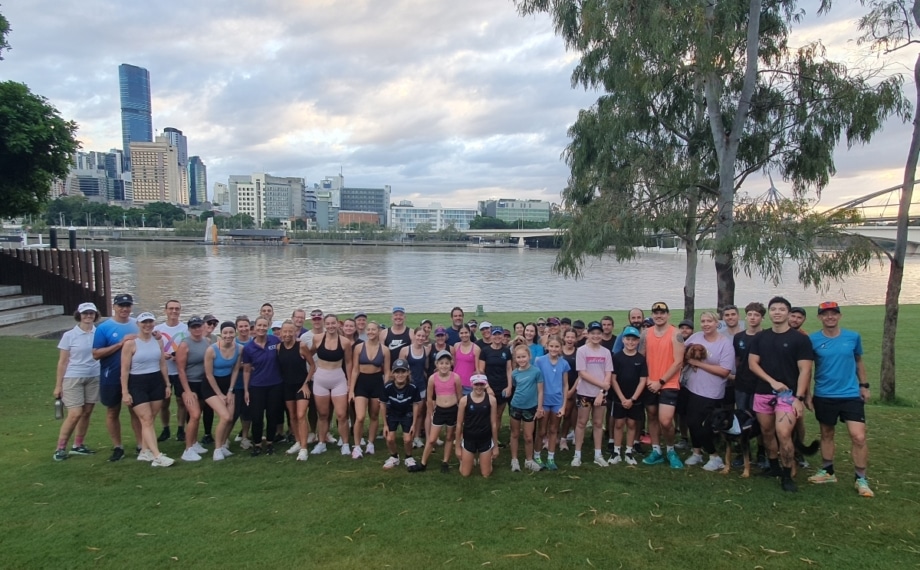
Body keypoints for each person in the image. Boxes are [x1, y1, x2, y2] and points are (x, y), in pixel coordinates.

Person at [807, 301, 874, 498]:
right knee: (827, 433)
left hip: (850, 394)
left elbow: (858, 361)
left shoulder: (852, 337)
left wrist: (864, 386)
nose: (830, 317)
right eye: (825, 314)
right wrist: (807, 394)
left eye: (834, 313)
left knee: (858, 436)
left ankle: (861, 478)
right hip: (824, 394)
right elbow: (807, 368)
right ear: (819, 317)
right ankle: (828, 471)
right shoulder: (812, 340)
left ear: (839, 316)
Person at [749, 296, 814, 493]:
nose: (777, 312)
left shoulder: (800, 339)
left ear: (788, 313)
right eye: (773, 309)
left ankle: (787, 475)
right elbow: (753, 364)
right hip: (763, 392)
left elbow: (805, 370)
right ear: (769, 313)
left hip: (788, 395)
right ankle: (773, 467)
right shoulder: (761, 337)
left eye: (782, 309)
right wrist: (772, 381)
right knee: (767, 432)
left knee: (784, 433)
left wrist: (799, 398)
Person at [680, 312, 735, 470]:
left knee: (700, 424)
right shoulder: (696, 337)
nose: (705, 324)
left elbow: (725, 371)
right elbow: (682, 351)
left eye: (709, 321)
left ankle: (714, 456)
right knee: (691, 421)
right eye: (703, 321)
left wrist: (698, 363)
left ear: (717, 323)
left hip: (710, 392)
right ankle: (696, 452)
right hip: (691, 387)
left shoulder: (724, 344)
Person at [119, 312, 174, 467]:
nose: (147, 325)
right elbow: (124, 369)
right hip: (137, 383)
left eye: (150, 322)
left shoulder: (158, 341)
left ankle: (144, 451)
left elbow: (162, 363)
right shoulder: (130, 344)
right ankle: (157, 455)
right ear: (138, 324)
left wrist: (167, 384)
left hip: (156, 381)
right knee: (146, 419)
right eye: (144, 322)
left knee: (150, 419)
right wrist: (125, 391)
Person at [92, 293, 141, 462]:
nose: (124, 309)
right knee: (113, 410)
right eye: (121, 305)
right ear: (114, 307)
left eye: (127, 305)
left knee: (136, 410)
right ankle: (118, 447)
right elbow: (96, 354)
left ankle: (141, 445)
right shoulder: (104, 328)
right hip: (111, 375)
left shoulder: (137, 324)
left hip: (134, 375)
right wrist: (120, 344)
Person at [53, 302, 101, 461]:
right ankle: (60, 448)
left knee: (87, 412)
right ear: (79, 315)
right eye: (85, 313)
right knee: (75, 414)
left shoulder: (99, 333)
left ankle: (78, 445)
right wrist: (58, 385)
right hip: (73, 377)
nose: (88, 316)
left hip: (94, 376)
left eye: (91, 313)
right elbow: (62, 362)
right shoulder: (69, 335)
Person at [640, 301, 685, 470]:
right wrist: (647, 380)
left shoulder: (676, 334)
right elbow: (641, 357)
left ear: (668, 314)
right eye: (656, 313)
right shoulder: (646, 333)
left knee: (665, 421)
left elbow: (678, 362)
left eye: (662, 313)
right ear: (652, 315)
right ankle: (656, 450)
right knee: (651, 416)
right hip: (650, 382)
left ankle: (671, 450)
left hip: (668, 383)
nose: (659, 316)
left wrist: (661, 382)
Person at [308, 314, 354, 456]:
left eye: (333, 323)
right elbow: (309, 354)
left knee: (341, 414)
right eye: (328, 323)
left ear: (337, 324)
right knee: (323, 414)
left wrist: (349, 382)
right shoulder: (317, 338)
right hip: (321, 379)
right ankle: (321, 443)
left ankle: (345, 444)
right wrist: (313, 367)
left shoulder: (345, 342)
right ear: (324, 324)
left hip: (338, 379)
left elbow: (348, 362)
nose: (330, 326)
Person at [409, 350, 462, 473]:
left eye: (447, 363)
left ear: (451, 364)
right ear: (436, 364)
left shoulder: (456, 377)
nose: (444, 366)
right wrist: (430, 413)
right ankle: (423, 463)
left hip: (452, 410)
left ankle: (445, 462)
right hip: (439, 411)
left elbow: (460, 397)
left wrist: (460, 413)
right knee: (432, 439)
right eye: (441, 363)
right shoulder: (433, 378)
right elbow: (429, 398)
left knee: (449, 437)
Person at [571, 321, 612, 467]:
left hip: (600, 394)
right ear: (588, 334)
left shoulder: (606, 352)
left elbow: (608, 373)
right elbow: (582, 373)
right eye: (593, 333)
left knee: (598, 423)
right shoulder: (582, 351)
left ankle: (598, 454)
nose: (596, 336)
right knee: (581, 422)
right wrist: (602, 385)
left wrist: (602, 392)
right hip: (584, 392)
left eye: (598, 333)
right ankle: (577, 455)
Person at [242, 316, 284, 456]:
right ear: (255, 327)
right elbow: (246, 370)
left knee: (272, 415)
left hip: (275, 385)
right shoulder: (248, 348)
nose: (261, 328)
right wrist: (246, 390)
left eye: (264, 325)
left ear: (268, 327)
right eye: (259, 325)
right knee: (257, 417)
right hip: (257, 386)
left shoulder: (275, 341)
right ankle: (258, 444)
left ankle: (270, 443)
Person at [349, 321, 390, 458]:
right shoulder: (359, 348)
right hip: (362, 382)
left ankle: (370, 443)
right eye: (369, 330)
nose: (371, 332)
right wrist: (351, 390)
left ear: (379, 332)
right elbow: (355, 370)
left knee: (374, 415)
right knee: (360, 417)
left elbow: (387, 372)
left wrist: (385, 389)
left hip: (377, 382)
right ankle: (357, 446)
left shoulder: (384, 350)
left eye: (373, 330)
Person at [202, 321, 241, 461]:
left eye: (231, 332)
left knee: (230, 417)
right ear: (221, 334)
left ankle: (223, 444)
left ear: (235, 333)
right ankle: (217, 449)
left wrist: (230, 390)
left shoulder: (239, 349)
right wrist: (219, 394)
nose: (228, 335)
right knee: (225, 416)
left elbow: (235, 370)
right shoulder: (211, 350)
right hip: (211, 386)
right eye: (225, 333)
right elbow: (209, 374)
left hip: (227, 385)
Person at [175, 316, 212, 461]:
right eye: (193, 327)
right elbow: (180, 369)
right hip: (188, 383)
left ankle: (194, 442)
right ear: (189, 329)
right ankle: (188, 449)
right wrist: (187, 391)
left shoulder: (206, 341)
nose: (197, 329)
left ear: (203, 326)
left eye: (199, 326)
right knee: (195, 414)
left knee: (197, 414)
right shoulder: (185, 344)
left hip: (202, 382)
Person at [733, 302, 766, 466]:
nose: (753, 318)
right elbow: (737, 360)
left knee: (760, 419)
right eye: (750, 315)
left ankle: (762, 451)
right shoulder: (739, 337)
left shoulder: (766, 337)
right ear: (746, 317)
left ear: (762, 318)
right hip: (741, 384)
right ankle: (743, 452)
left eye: (757, 315)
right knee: (741, 418)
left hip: (760, 385)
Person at [608, 326, 646, 466]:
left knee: (631, 424)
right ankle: (616, 451)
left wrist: (633, 399)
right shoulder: (617, 357)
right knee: (619, 423)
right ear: (623, 340)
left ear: (638, 341)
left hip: (635, 398)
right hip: (619, 397)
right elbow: (613, 379)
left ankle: (629, 451)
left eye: (633, 340)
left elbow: (643, 381)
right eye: (628, 339)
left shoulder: (641, 359)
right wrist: (622, 398)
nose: (630, 342)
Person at [507, 343, 545, 472]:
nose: (521, 359)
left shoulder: (536, 372)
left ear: (529, 356)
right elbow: (515, 387)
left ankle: (529, 460)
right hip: (515, 406)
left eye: (523, 356)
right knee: (515, 434)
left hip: (530, 408)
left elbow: (540, 391)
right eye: (518, 357)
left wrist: (539, 408)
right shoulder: (514, 373)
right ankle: (514, 460)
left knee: (528, 437)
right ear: (515, 359)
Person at [534, 336, 569, 470]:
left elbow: (565, 385)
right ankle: (537, 455)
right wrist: (539, 405)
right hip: (544, 401)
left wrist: (563, 406)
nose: (554, 349)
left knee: (554, 429)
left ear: (561, 348)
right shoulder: (540, 361)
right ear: (547, 346)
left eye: (557, 346)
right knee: (542, 430)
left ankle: (550, 458)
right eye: (551, 346)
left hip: (557, 401)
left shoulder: (564, 363)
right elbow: (537, 382)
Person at [276, 320, 310, 461]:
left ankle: (304, 448)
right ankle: (298, 441)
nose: (287, 334)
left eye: (291, 331)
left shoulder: (301, 346)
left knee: (301, 415)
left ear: (295, 332)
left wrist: (306, 384)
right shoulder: (279, 347)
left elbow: (312, 366)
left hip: (302, 385)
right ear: (281, 333)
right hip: (287, 386)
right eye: (285, 331)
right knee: (293, 416)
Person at [154, 299, 187, 443]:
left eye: (177, 309)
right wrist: (162, 355)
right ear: (165, 310)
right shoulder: (158, 329)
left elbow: (189, 348)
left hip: (180, 371)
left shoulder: (185, 329)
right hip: (163, 371)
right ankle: (165, 429)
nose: (174, 311)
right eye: (171, 308)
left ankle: (180, 429)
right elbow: (151, 348)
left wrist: (180, 356)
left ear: (180, 311)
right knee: (164, 402)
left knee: (181, 401)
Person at [380, 358, 422, 470]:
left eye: (403, 371)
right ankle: (394, 457)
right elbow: (382, 404)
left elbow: (415, 405)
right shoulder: (387, 386)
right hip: (392, 413)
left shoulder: (413, 387)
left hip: (407, 413)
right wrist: (385, 425)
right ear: (393, 373)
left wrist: (414, 424)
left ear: (408, 373)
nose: (400, 375)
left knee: (407, 439)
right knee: (389, 438)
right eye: (397, 372)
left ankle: (409, 457)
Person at [455, 374, 500, 478]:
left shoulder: (491, 400)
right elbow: (459, 424)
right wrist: (457, 447)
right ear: (472, 384)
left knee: (486, 474)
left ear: (485, 385)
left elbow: (494, 424)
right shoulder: (464, 400)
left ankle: (487, 459)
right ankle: (466, 460)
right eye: (476, 384)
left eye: (481, 384)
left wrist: (495, 446)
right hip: (469, 438)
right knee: (465, 474)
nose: (479, 387)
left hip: (485, 439)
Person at [400, 328, 432, 448]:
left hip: (421, 386)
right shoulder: (405, 350)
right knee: (408, 412)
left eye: (423, 336)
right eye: (418, 335)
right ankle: (408, 435)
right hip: (408, 387)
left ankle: (417, 436)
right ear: (414, 336)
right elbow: (400, 369)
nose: (420, 338)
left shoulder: (426, 350)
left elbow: (426, 367)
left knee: (419, 413)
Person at [478, 325, 513, 428]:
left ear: (502, 335)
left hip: (502, 387)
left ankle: (495, 437)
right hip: (489, 387)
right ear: (491, 336)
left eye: (499, 334)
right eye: (495, 334)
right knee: (486, 415)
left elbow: (509, 369)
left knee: (498, 415)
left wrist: (509, 386)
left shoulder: (506, 351)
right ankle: (486, 437)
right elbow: (481, 370)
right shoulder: (485, 351)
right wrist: (487, 387)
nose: (497, 337)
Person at [230, 316, 254, 449]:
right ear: (237, 328)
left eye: (246, 326)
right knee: (232, 413)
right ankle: (224, 439)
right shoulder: (233, 343)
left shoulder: (253, 341)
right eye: (241, 326)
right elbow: (229, 363)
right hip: (235, 383)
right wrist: (245, 366)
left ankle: (244, 437)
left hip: (251, 383)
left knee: (247, 412)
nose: (244, 329)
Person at [559, 329, 579, 450]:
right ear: (564, 338)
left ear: (576, 339)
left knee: (568, 414)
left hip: (574, 387)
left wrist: (572, 390)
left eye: (572, 337)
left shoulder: (578, 352)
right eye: (568, 337)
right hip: (557, 388)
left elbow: (581, 374)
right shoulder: (558, 351)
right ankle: (551, 437)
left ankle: (564, 438)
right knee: (556, 415)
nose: (570, 339)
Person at [451, 324, 481, 396]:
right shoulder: (456, 346)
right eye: (461, 333)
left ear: (470, 333)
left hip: (469, 385)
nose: (464, 335)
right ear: (458, 334)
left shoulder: (476, 349)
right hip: (455, 382)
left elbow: (477, 369)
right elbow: (454, 364)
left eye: (466, 332)